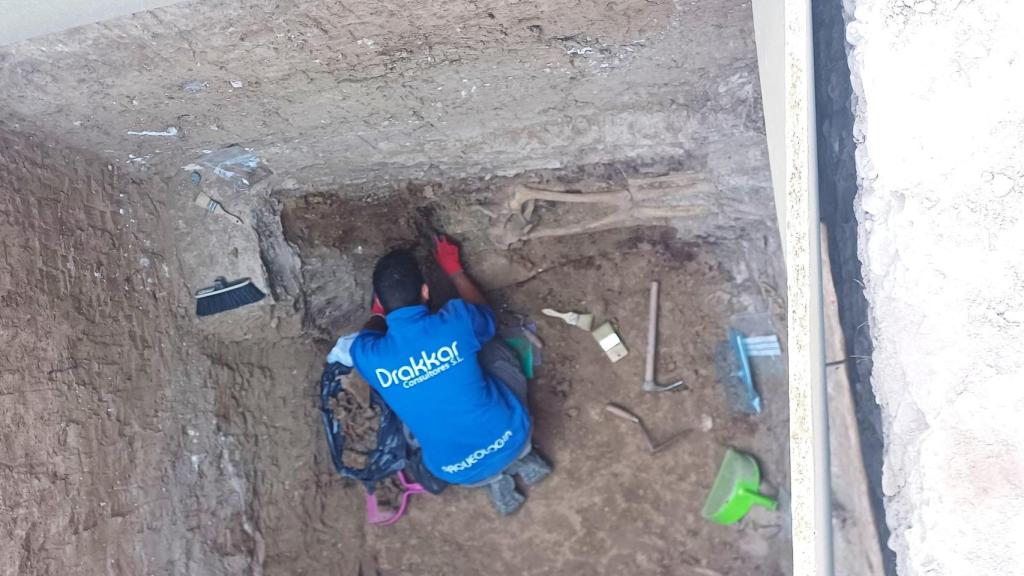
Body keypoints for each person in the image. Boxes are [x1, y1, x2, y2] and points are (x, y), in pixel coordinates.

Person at [342, 235, 551, 515]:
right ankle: (524, 459)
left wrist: (380, 314)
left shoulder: (367, 355)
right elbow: (485, 315)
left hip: (457, 471)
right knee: (489, 347)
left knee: (419, 413)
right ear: (426, 292)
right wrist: (454, 270)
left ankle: (494, 482)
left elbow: (369, 332)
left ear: (379, 301)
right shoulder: (456, 320)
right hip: (515, 435)